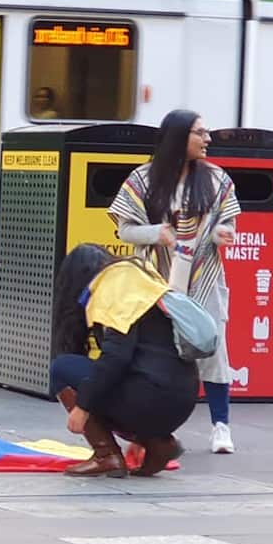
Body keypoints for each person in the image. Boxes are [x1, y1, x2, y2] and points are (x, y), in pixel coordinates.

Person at [108, 109, 240, 454]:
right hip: (154, 282)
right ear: (179, 138)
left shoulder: (217, 178)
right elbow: (125, 230)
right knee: (154, 352)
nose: (207, 139)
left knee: (212, 347)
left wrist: (223, 233)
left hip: (204, 279)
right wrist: (156, 233)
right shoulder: (142, 180)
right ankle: (148, 431)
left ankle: (221, 426)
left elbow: (228, 223)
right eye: (200, 133)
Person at [49, 244, 200, 477]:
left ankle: (106, 454)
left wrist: (82, 407)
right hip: (183, 399)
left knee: (62, 368)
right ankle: (158, 444)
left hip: (150, 398)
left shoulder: (111, 286)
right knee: (104, 379)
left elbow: (116, 357)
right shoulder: (141, 278)